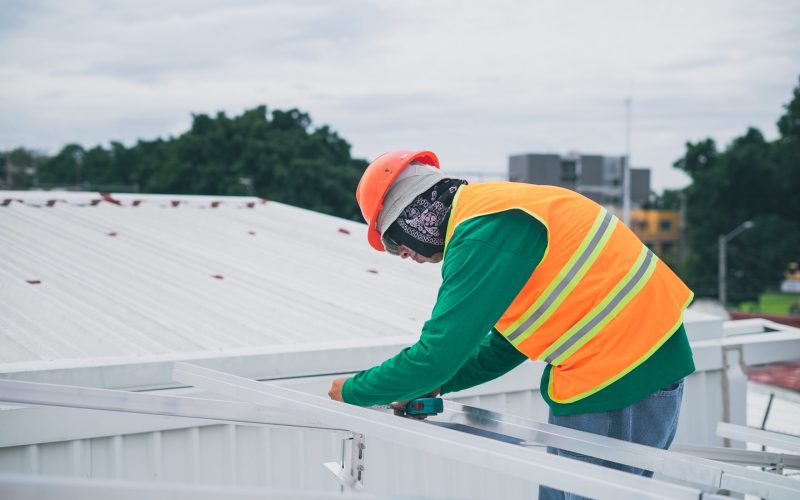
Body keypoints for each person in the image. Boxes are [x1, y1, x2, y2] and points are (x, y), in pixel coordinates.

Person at [328, 150, 695, 499]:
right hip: (625, 367)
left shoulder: (482, 231)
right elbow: (504, 347)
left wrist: (352, 392)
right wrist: (439, 384)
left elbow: (435, 356)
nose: (403, 255)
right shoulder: (493, 215)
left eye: (394, 241)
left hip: (620, 373)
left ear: (413, 214)